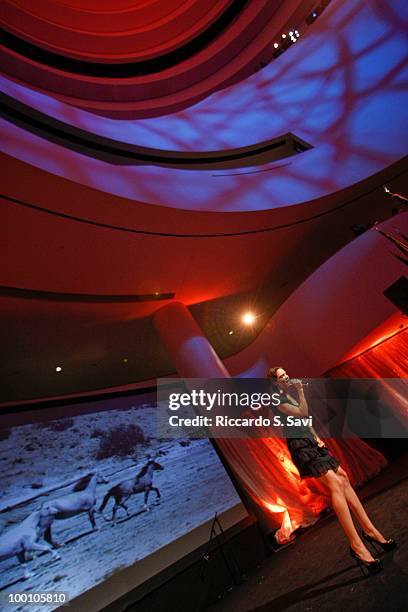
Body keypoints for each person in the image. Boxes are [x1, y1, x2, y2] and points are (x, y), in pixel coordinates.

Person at [267, 366, 396, 575]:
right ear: (275, 383)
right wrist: (300, 391)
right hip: (301, 446)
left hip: (310, 441)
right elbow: (302, 412)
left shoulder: (289, 396)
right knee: (335, 485)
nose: (287, 377)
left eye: (286, 373)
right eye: (282, 377)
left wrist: (316, 436)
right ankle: (357, 546)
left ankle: (370, 531)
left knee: (343, 478)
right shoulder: (276, 400)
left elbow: (305, 420)